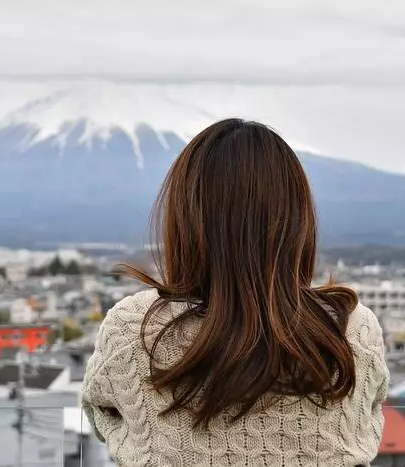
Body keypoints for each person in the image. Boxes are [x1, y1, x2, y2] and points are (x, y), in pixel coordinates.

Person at [82, 119, 389, 466]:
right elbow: (367, 421)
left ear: (185, 217)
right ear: (298, 219)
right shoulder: (350, 329)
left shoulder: (135, 327)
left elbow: (102, 412)